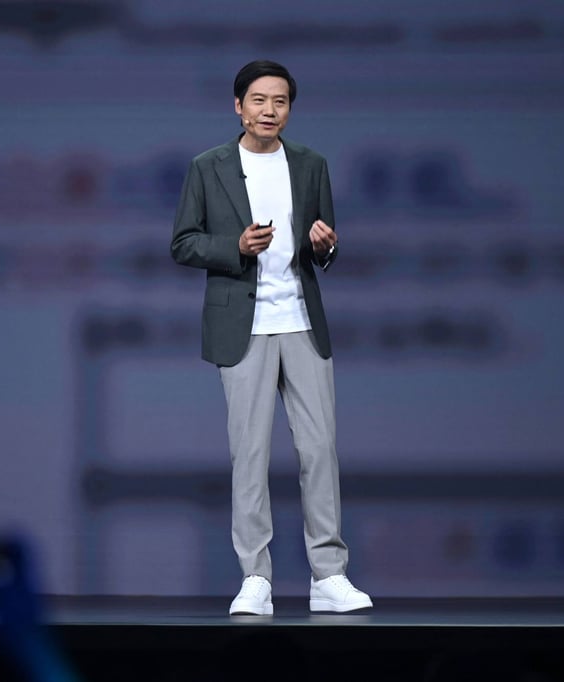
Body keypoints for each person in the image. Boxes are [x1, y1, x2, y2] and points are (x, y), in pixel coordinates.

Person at [170, 60, 372, 616]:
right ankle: (255, 575)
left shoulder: (310, 164)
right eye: (258, 100)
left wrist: (326, 245)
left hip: (301, 321)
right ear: (238, 106)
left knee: (319, 449)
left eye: (279, 101)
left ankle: (329, 575)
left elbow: (320, 245)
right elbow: (183, 242)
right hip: (243, 325)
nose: (269, 110)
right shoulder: (208, 167)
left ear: (290, 109)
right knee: (251, 455)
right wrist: (234, 246)